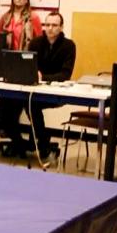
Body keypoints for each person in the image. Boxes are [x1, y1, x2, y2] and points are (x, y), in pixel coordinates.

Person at [0, 0, 42, 137]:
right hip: (7, 60)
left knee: (16, 97)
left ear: (27, 0)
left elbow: (38, 41)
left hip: (23, 60)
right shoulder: (5, 17)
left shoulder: (33, 18)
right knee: (4, 93)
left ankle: (5, 126)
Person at [25, 11, 76, 158]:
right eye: (47, 24)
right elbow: (28, 67)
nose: (50, 28)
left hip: (55, 93)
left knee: (31, 103)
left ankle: (42, 140)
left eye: (54, 25)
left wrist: (43, 77)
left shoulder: (68, 46)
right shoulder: (36, 43)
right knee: (12, 100)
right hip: (34, 89)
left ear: (61, 27)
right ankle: (30, 140)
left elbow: (65, 75)